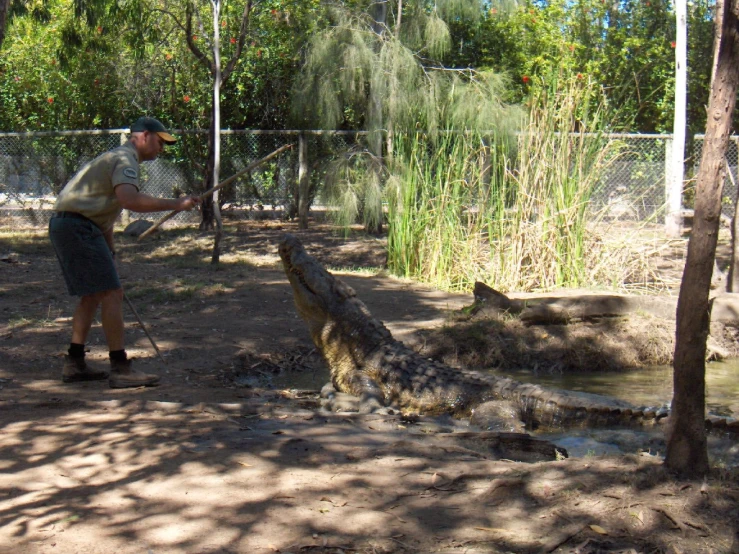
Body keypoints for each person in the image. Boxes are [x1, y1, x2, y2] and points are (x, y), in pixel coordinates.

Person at [49, 116, 201, 388]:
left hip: (71, 225)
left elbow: (103, 208)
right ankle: (120, 368)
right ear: (143, 136)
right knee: (111, 293)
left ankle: (74, 363)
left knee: (93, 295)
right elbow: (129, 201)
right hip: (78, 227)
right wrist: (177, 204)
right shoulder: (125, 159)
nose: (161, 149)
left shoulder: (116, 158)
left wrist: (109, 250)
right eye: (159, 141)